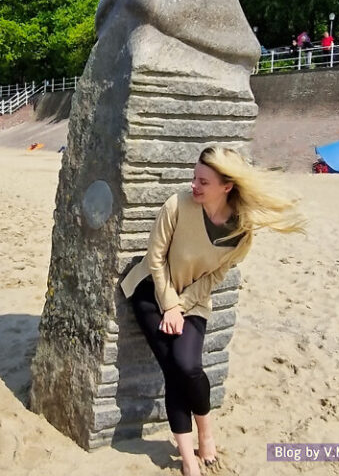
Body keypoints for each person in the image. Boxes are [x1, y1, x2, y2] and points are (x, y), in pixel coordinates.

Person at [119, 147, 305, 476]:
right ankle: (189, 457)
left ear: (226, 186)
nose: (194, 185)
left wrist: (182, 306)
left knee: (188, 366)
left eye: (203, 181)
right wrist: (169, 305)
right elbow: (155, 260)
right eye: (194, 177)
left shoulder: (240, 232)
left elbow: (215, 276)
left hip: (195, 300)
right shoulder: (176, 205)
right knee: (174, 367)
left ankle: (205, 431)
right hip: (151, 291)